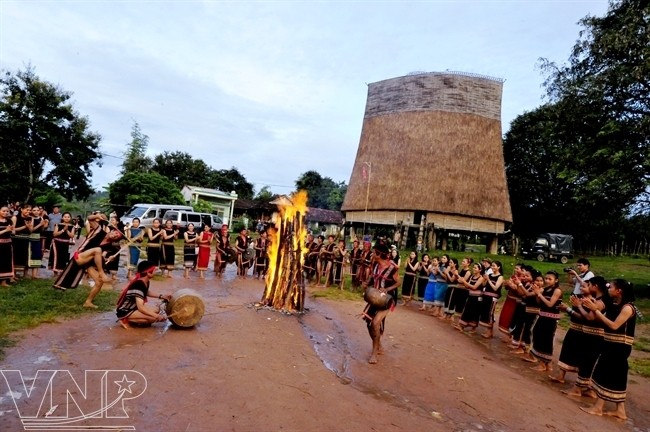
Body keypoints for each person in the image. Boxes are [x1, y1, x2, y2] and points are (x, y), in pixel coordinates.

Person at [580, 278, 637, 421]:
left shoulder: (628, 308)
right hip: (610, 343)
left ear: (619, 291)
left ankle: (598, 407)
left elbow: (614, 326)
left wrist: (595, 311)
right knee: (617, 376)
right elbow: (600, 320)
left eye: (610, 287)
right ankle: (620, 411)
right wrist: (591, 307)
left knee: (607, 373)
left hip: (619, 346)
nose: (608, 289)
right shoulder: (615, 304)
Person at [361, 243, 400, 364]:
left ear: (379, 254)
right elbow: (373, 276)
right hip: (375, 297)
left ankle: (374, 354)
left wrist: (387, 289)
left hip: (387, 300)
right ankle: (378, 344)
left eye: (374, 252)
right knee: (369, 323)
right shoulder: (375, 264)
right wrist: (366, 282)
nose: (372, 254)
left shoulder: (392, 267)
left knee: (375, 322)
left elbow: (398, 282)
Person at [116, 260, 172, 329]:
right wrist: (156, 316)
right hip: (125, 311)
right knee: (153, 319)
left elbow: (146, 292)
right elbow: (141, 308)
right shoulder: (139, 285)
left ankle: (136, 319)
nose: (156, 272)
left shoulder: (145, 281)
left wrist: (162, 296)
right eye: (154, 270)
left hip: (134, 308)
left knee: (156, 310)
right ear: (148, 273)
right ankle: (125, 320)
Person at [528, 270, 563, 372]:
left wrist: (539, 294)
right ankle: (545, 363)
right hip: (542, 316)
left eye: (550, 279)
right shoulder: (544, 289)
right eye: (546, 278)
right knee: (537, 335)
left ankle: (544, 363)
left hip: (551, 319)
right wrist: (537, 293)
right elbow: (540, 303)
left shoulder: (557, 291)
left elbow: (550, 304)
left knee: (546, 340)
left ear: (556, 280)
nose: (547, 281)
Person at [0, 206, 14, 286]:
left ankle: (4, 282)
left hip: (8, 244)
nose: (5, 213)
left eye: (7, 211)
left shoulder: (9, 221)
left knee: (6, 262)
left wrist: (12, 230)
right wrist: (6, 230)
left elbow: (12, 232)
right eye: (3, 211)